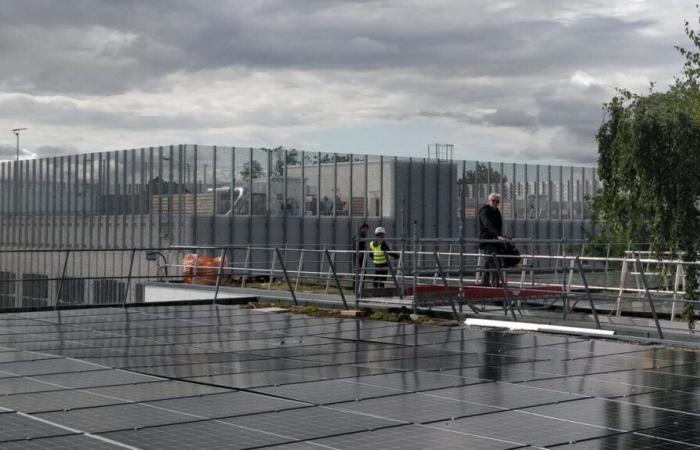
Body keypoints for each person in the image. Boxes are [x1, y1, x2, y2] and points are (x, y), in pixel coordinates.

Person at [478, 193, 505, 287]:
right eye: (493, 201)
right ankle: (495, 285)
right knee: (494, 262)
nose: (495, 203)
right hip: (487, 241)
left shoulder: (497, 212)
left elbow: (498, 227)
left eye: (497, 201)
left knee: (488, 262)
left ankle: (484, 283)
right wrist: (497, 235)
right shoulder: (484, 210)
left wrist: (501, 236)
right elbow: (487, 224)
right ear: (489, 201)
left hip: (495, 242)